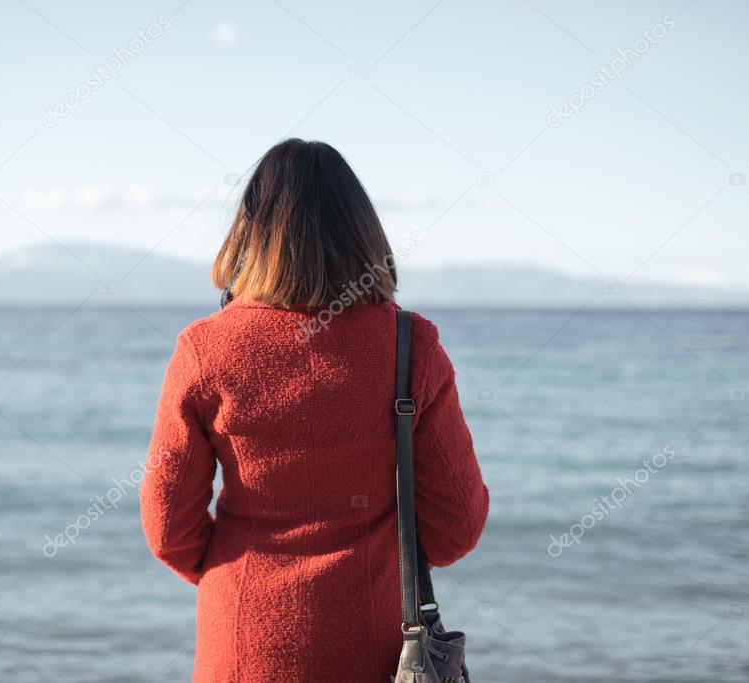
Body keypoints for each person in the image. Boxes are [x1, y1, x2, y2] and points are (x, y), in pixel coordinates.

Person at [140, 138, 489, 682]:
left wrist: (239, 576)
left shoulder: (205, 349)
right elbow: (457, 528)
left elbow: (169, 529)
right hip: (375, 651)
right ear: (363, 233)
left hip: (241, 644)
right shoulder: (410, 344)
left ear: (249, 235)